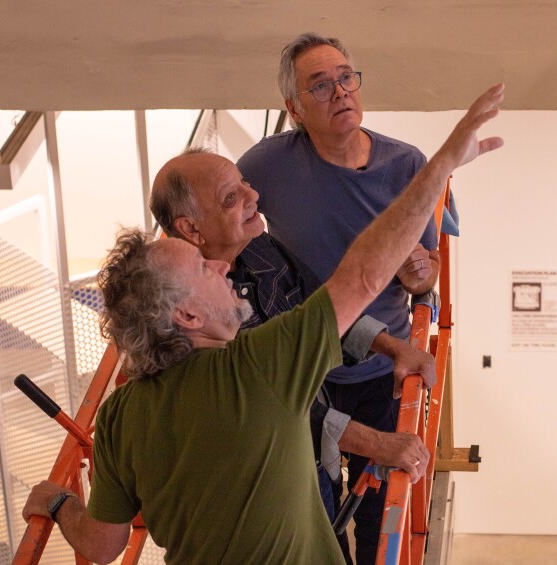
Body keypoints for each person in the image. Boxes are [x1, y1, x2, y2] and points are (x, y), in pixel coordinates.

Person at [21, 83, 505, 564]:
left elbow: (103, 547)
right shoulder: (257, 365)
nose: (218, 268)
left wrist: (61, 502)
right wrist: (440, 165)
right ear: (187, 314)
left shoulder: (118, 416)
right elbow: (361, 274)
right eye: (202, 268)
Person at [147, 148, 434, 558]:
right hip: (270, 491)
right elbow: (275, 410)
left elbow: (321, 312)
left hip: (315, 461)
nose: (253, 196)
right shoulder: (193, 317)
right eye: (232, 197)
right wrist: (377, 443)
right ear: (191, 229)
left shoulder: (258, 246)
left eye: (245, 184)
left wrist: (393, 349)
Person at [237, 32, 440, 563]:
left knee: (380, 519)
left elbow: (427, 275)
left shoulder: (405, 164)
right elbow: (224, 225)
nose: (340, 92)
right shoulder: (263, 167)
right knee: (316, 514)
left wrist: (420, 274)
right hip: (306, 369)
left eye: (346, 77)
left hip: (383, 367)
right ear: (294, 108)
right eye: (320, 85)